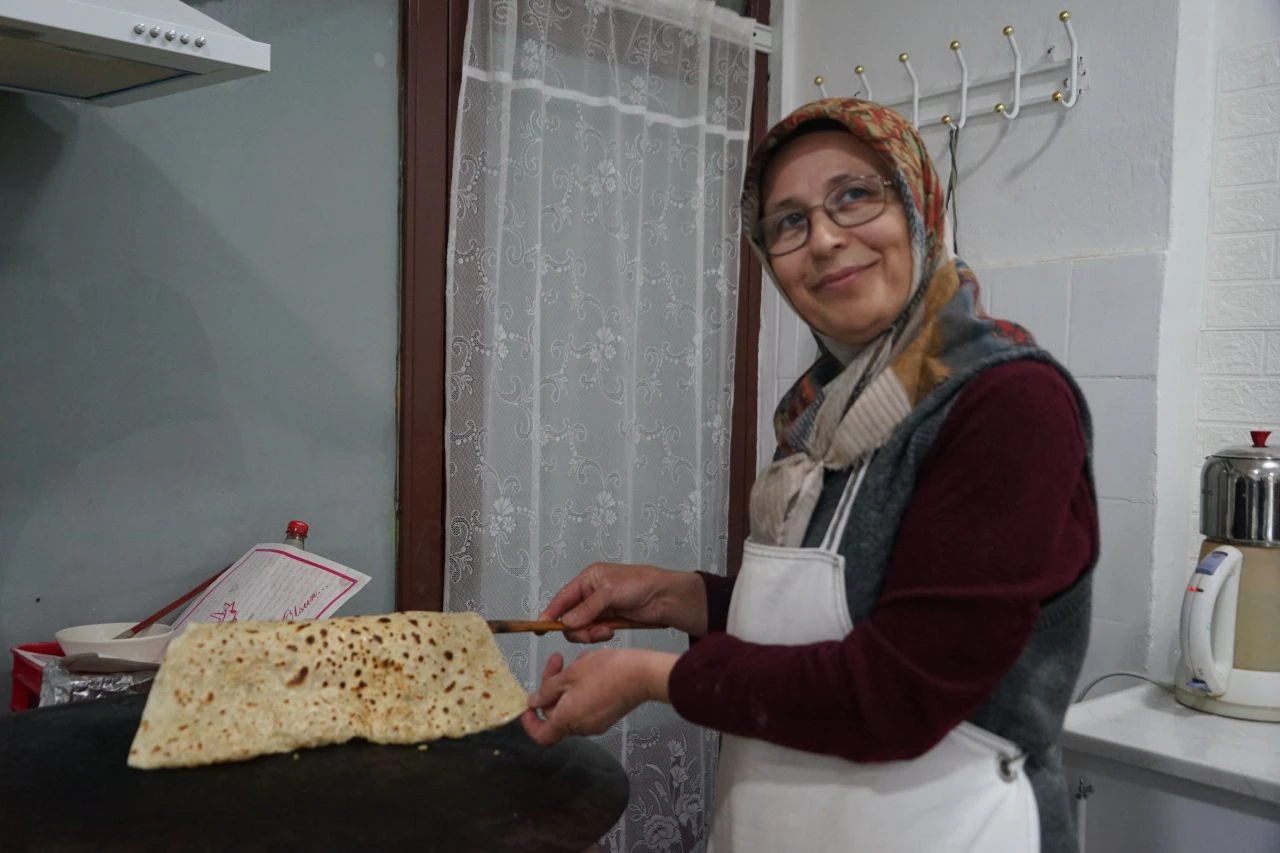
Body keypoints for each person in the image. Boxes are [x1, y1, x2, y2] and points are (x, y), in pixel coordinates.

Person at [522, 98, 1098, 853]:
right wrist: (673, 595)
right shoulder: (820, 416)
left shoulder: (1008, 404)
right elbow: (835, 620)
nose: (824, 238)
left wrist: (646, 677)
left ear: (921, 206)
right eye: (788, 222)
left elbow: (897, 691)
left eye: (855, 195)